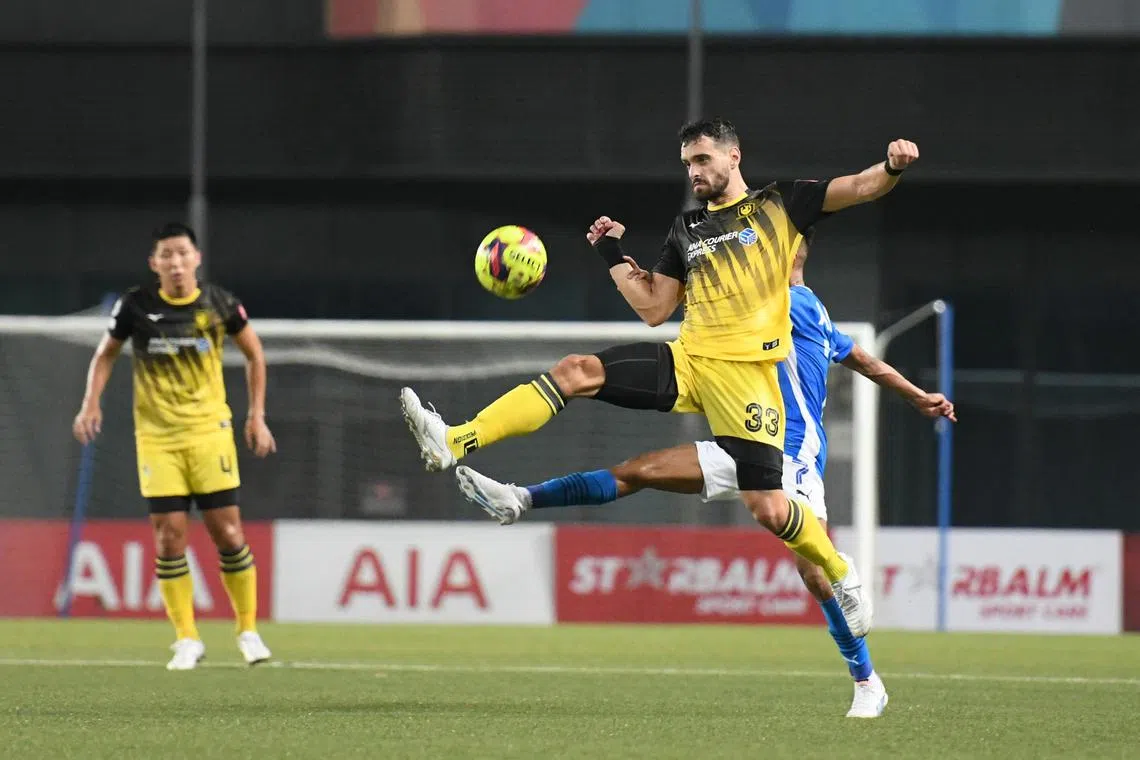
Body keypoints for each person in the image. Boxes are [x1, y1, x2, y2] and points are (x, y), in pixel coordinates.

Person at [401, 117, 920, 637]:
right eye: (687, 163)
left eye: (702, 159)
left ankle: (840, 572)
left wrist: (892, 167)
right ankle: (454, 441)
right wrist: (611, 255)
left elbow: (859, 187)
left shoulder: (780, 204)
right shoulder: (686, 230)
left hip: (746, 378)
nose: (694, 171)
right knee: (577, 371)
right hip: (691, 361)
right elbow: (654, 308)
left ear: (733, 157)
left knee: (768, 507)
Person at [454, 234, 957, 718]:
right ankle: (520, 500)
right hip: (742, 437)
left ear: (785, 257)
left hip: (791, 455)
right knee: (640, 471)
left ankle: (867, 681)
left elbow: (857, 357)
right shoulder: (779, 303)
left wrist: (622, 258)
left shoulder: (792, 303)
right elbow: (863, 359)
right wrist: (917, 395)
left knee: (814, 573)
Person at [72, 222, 277, 671]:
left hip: (209, 433)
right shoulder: (136, 306)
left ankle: (248, 631)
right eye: (167, 255)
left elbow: (255, 354)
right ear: (155, 263)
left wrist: (256, 415)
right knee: (168, 539)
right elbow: (104, 354)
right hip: (158, 439)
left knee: (228, 533)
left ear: (196, 258)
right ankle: (186, 638)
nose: (176, 262)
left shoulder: (219, 303)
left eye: (183, 253)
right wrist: (91, 404)